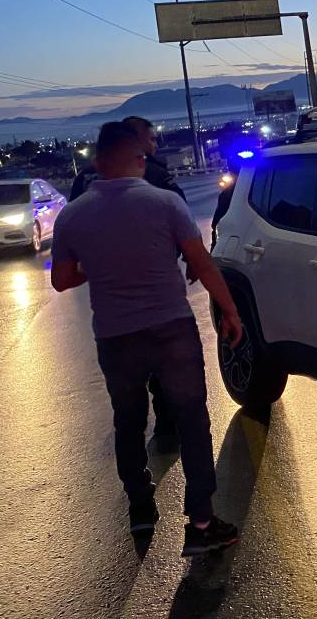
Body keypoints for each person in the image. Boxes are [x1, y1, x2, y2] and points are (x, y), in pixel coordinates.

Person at [52, 121, 244, 556]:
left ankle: (140, 508)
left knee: (128, 419)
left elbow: (62, 280)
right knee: (193, 419)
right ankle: (200, 523)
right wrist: (230, 311)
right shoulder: (165, 203)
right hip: (171, 327)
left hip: (116, 336)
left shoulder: (73, 214)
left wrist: (98, 267)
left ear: (98, 163)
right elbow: (203, 263)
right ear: (139, 161)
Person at [71, 115, 184, 452]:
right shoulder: (154, 174)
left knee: (125, 381)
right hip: (157, 294)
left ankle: (136, 477)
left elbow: (73, 233)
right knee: (164, 361)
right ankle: (166, 427)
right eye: (150, 139)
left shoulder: (85, 180)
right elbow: (183, 223)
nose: (154, 145)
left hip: (109, 306)